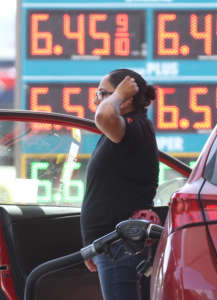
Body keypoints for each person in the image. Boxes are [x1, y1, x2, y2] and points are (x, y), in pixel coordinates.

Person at [80, 68, 159, 300]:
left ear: (126, 99)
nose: (96, 100)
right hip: (109, 244)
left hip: (121, 243)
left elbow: (103, 116)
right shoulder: (122, 129)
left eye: (102, 93)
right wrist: (91, 244)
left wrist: (116, 96)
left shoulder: (133, 127)